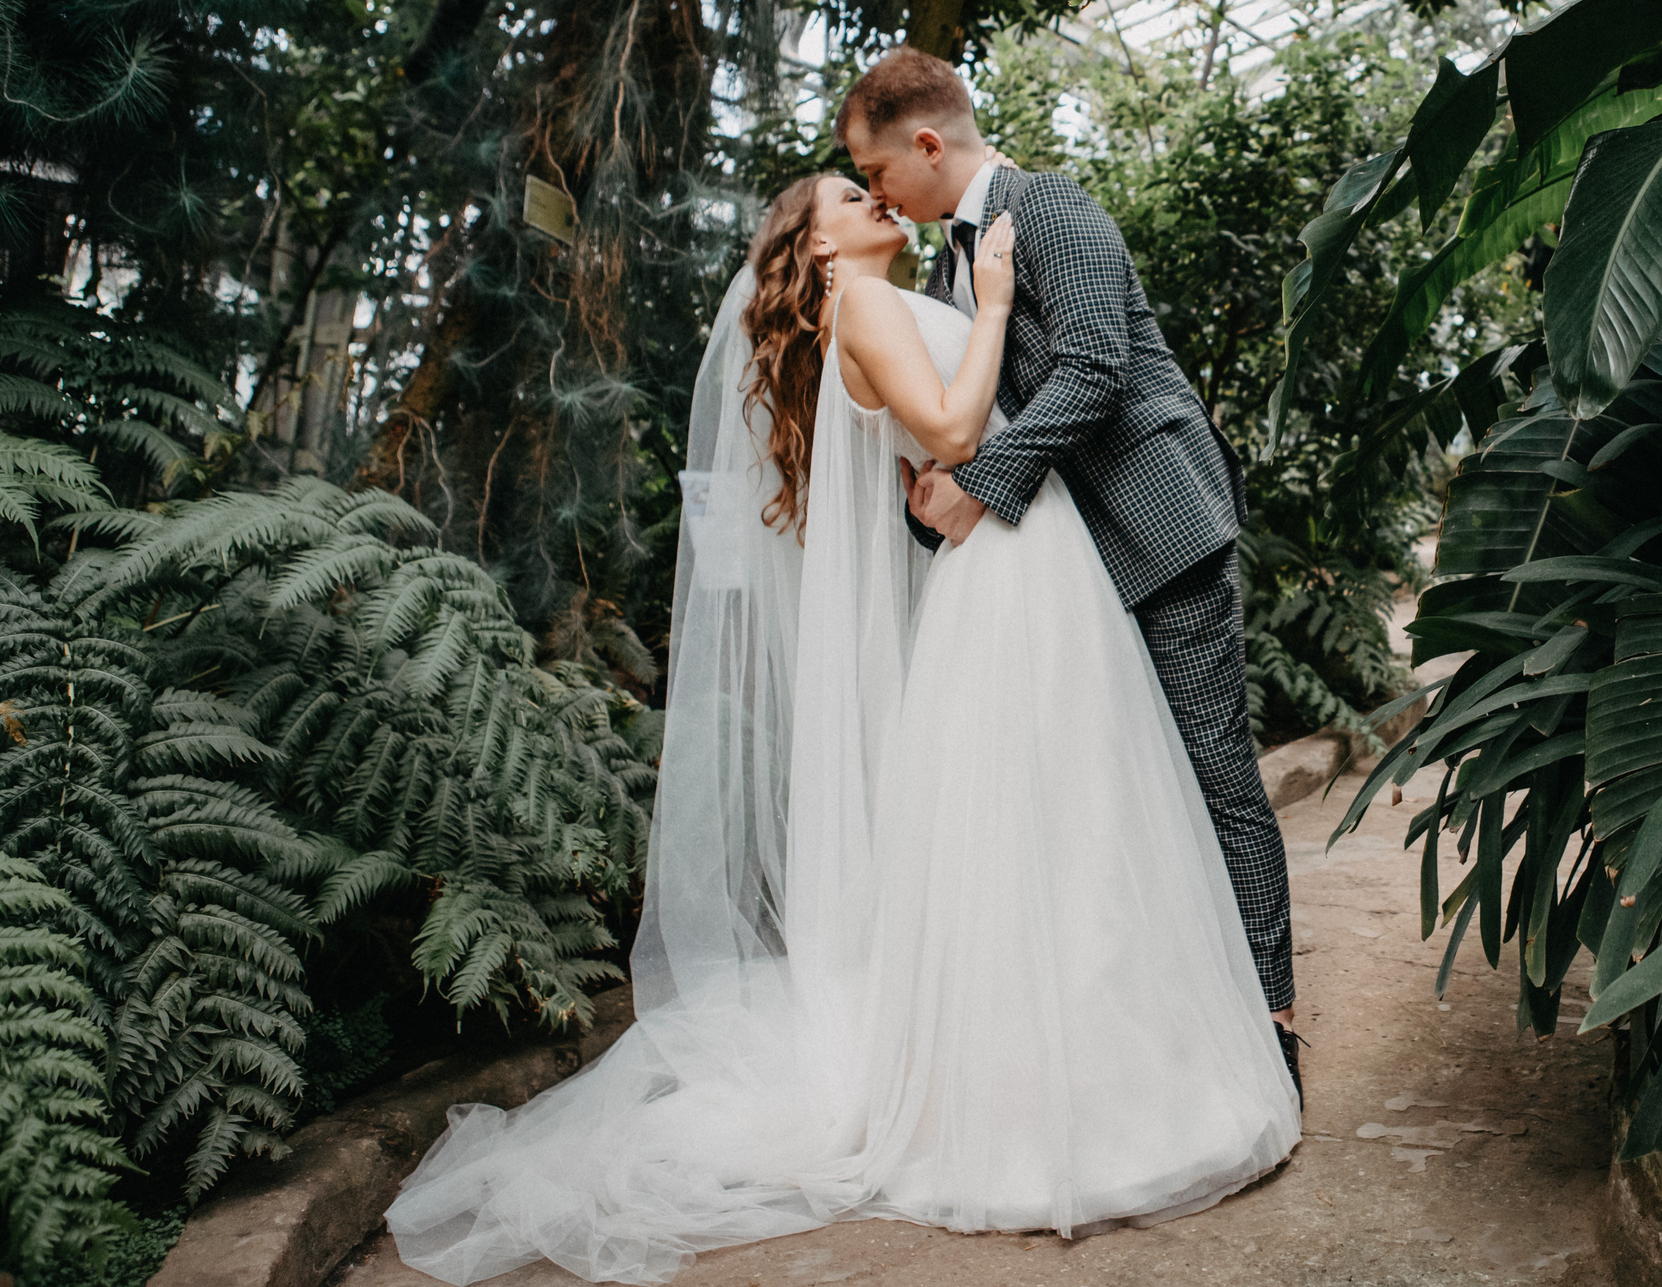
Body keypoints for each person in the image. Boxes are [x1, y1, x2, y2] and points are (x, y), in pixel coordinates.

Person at [383, 171, 1296, 1285]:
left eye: (873, 191)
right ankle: (1034, 1107)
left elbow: (952, 443)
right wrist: (999, 306)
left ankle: (1098, 1065)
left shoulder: (887, 296)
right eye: (848, 201)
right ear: (815, 251)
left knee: (1071, 817)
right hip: (1009, 570)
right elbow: (956, 423)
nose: (875, 205)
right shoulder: (862, 302)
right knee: (1052, 814)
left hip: (1028, 554)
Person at [837, 48, 1302, 1090]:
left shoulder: (1048, 207)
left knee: (1215, 772)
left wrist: (980, 486)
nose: (878, 196)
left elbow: (1097, 365)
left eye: (876, 174)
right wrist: (936, 502)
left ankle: (1271, 1021)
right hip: (1066, 570)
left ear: (924, 143)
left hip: (1160, 529)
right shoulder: (955, 266)